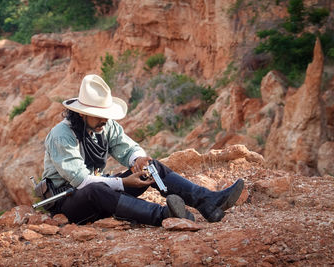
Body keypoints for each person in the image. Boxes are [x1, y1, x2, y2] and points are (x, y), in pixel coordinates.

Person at [41, 74, 244, 226]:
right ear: (81, 114)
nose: (104, 119)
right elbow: (81, 180)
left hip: (99, 191)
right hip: (67, 203)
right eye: (97, 115)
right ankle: (165, 215)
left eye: (105, 114)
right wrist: (123, 182)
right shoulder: (62, 135)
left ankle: (208, 202)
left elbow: (127, 148)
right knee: (96, 190)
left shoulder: (105, 125)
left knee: (150, 166)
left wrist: (137, 159)